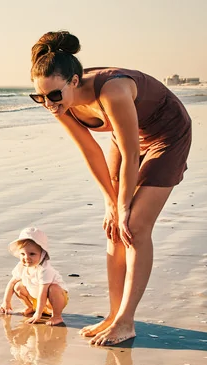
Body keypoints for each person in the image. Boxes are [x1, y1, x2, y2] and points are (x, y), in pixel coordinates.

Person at [29, 31, 192, 345]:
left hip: (167, 136)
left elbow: (133, 154)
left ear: (75, 82)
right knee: (114, 228)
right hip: (127, 137)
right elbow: (90, 150)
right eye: (40, 97)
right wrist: (110, 202)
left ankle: (126, 321)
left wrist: (124, 206)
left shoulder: (113, 91)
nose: (49, 104)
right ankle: (114, 313)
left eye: (54, 96)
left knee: (133, 225)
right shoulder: (59, 101)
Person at [0, 227, 69, 326]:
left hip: (54, 300)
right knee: (17, 286)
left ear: (42, 254)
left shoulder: (44, 270)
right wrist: (6, 302)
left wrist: (38, 314)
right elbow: (11, 283)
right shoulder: (21, 266)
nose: (26, 258)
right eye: (23, 254)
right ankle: (31, 307)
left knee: (54, 288)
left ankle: (57, 316)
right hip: (37, 300)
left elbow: (43, 292)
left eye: (32, 254)